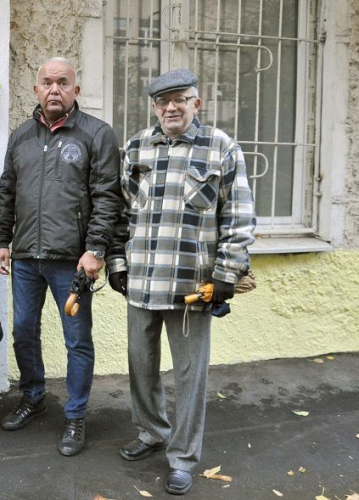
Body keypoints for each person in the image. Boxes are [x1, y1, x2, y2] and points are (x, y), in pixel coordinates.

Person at [107, 69, 256, 495]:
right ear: (154, 106)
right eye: (162, 101)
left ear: (196, 103)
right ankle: (152, 431)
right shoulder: (136, 146)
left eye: (180, 99)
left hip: (193, 287)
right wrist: (117, 262)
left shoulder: (221, 147)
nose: (170, 107)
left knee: (190, 375)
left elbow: (239, 217)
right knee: (140, 366)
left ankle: (183, 457)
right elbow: (120, 213)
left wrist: (226, 274)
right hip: (142, 282)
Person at [0, 57, 121, 456]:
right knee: (23, 331)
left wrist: (95, 249)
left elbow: (107, 197)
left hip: (73, 262)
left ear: (75, 91)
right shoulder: (21, 136)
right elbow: (7, 191)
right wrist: (1, 240)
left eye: (62, 82)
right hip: (26, 257)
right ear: (36, 90)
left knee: (76, 340)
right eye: (47, 82)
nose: (54, 89)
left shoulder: (97, 134)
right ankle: (33, 397)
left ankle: (75, 415)